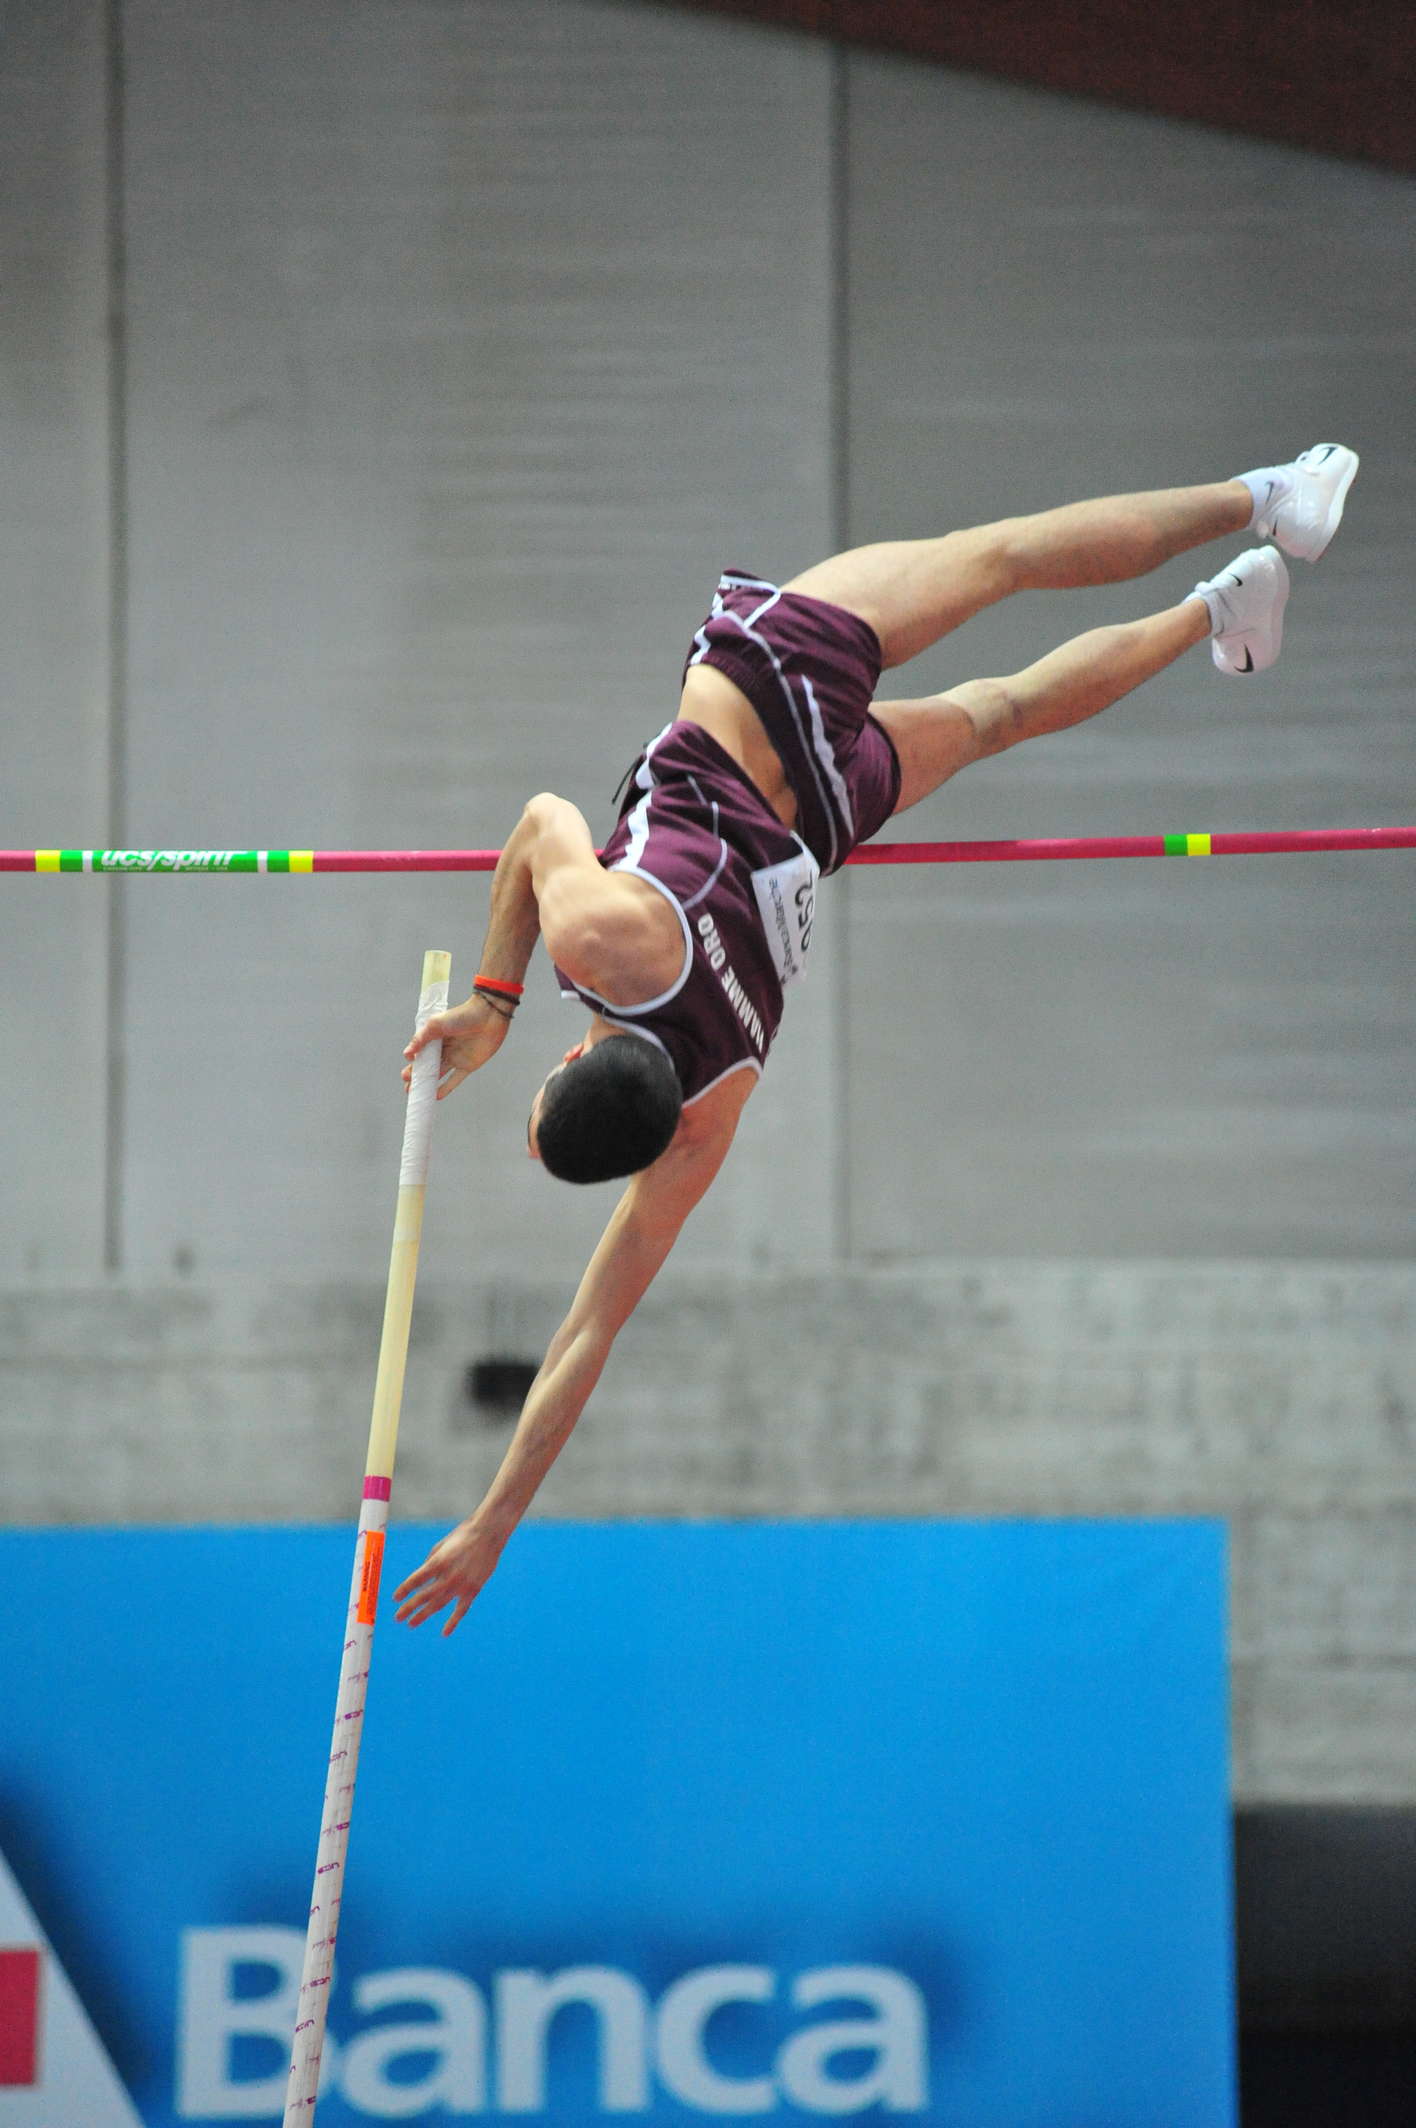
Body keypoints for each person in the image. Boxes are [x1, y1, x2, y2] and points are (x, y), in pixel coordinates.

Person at [393, 442, 1358, 1635]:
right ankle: (1268, 501)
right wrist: (494, 1001)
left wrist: (495, 1523)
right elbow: (540, 818)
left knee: (1001, 714)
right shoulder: (597, 943)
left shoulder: (707, 1119)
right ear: (577, 1057)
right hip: (763, 691)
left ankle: (1220, 607)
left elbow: (588, 1335)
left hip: (821, 817)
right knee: (999, 558)